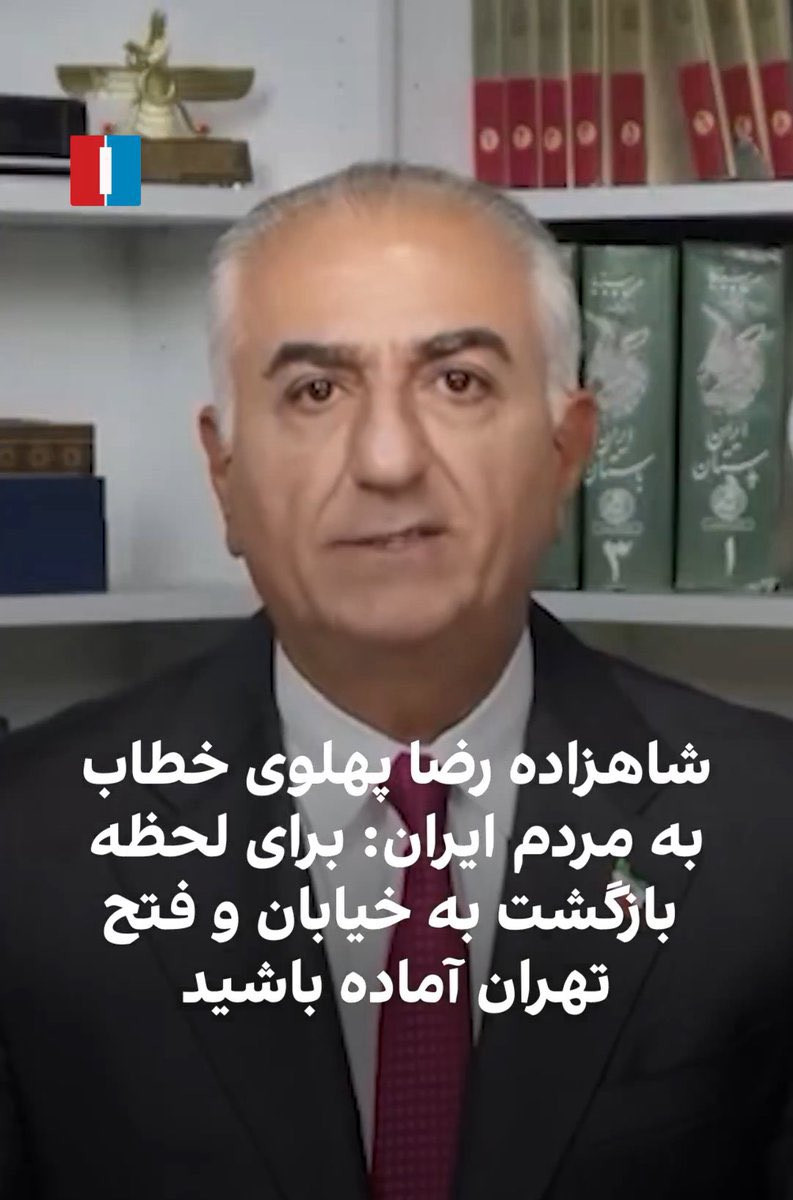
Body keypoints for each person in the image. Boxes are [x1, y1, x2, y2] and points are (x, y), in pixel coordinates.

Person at [0, 162, 791, 1200]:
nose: (386, 459)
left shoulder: (766, 828)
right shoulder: (27, 842)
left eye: (457, 381)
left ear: (566, 453)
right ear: (225, 476)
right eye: (315, 391)